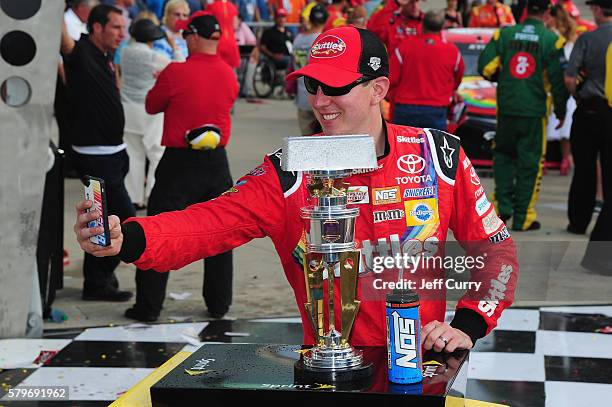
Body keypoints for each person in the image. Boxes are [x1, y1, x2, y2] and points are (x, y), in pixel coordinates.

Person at [75, 26, 518, 351]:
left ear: (377, 89)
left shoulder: (437, 155)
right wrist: (127, 237)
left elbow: (495, 249)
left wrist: (468, 322)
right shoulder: (290, 170)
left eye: (336, 86)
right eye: (312, 84)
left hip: (422, 365)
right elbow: (209, 223)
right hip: (326, 366)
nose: (320, 100)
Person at [121, 13, 238, 322]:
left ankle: (148, 306)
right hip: (216, 160)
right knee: (220, 233)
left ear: (194, 37)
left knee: (159, 230)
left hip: (179, 161)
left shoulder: (176, 71)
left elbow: (151, 105)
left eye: (187, 36)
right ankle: (219, 303)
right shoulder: (229, 74)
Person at [61, 4, 134, 302]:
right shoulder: (80, 53)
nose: (122, 33)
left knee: (103, 220)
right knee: (127, 224)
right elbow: (62, 40)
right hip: (95, 157)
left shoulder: (106, 57)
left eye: (122, 27)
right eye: (115, 27)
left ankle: (98, 280)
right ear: (97, 28)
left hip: (115, 153)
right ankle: (98, 280)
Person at [478, 0, 568, 231]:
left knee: (503, 158)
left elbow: (485, 66)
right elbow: (559, 82)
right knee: (530, 163)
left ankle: (502, 211)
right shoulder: (552, 40)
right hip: (534, 111)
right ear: (548, 12)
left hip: (507, 108)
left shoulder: (505, 35)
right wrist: (561, 110)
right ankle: (523, 217)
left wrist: (505, 78)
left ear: (527, 10)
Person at [564, 0, 612, 273]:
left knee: (584, 169)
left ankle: (578, 221)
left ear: (596, 10)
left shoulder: (588, 38)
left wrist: (578, 96)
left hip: (589, 109)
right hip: (610, 114)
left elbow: (570, 78)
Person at [120, 18, 170, 209]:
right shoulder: (153, 56)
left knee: (133, 153)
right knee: (156, 152)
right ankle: (152, 194)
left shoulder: (125, 51)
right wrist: (174, 46)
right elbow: (178, 65)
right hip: (149, 110)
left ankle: (134, 197)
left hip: (127, 107)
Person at [389, 9, 464, 131]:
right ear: (442, 27)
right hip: (437, 109)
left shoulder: (404, 47)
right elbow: (458, 78)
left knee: (402, 148)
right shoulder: (453, 51)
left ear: (422, 25)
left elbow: (392, 78)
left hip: (405, 108)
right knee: (433, 148)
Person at [546, 3, 577, 176]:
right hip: (567, 84)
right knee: (564, 130)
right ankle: (565, 159)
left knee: (554, 124)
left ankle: (559, 159)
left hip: (555, 85)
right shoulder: (570, 38)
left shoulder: (552, 39)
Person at [292, 3, 327, 135]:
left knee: (306, 140)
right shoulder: (323, 41)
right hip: (320, 97)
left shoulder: (298, 39)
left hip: (302, 95)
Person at [206, 0, 241, 68]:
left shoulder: (212, 6)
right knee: (229, 70)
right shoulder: (232, 6)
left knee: (216, 69)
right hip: (230, 41)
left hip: (217, 41)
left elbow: (208, 24)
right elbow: (235, 25)